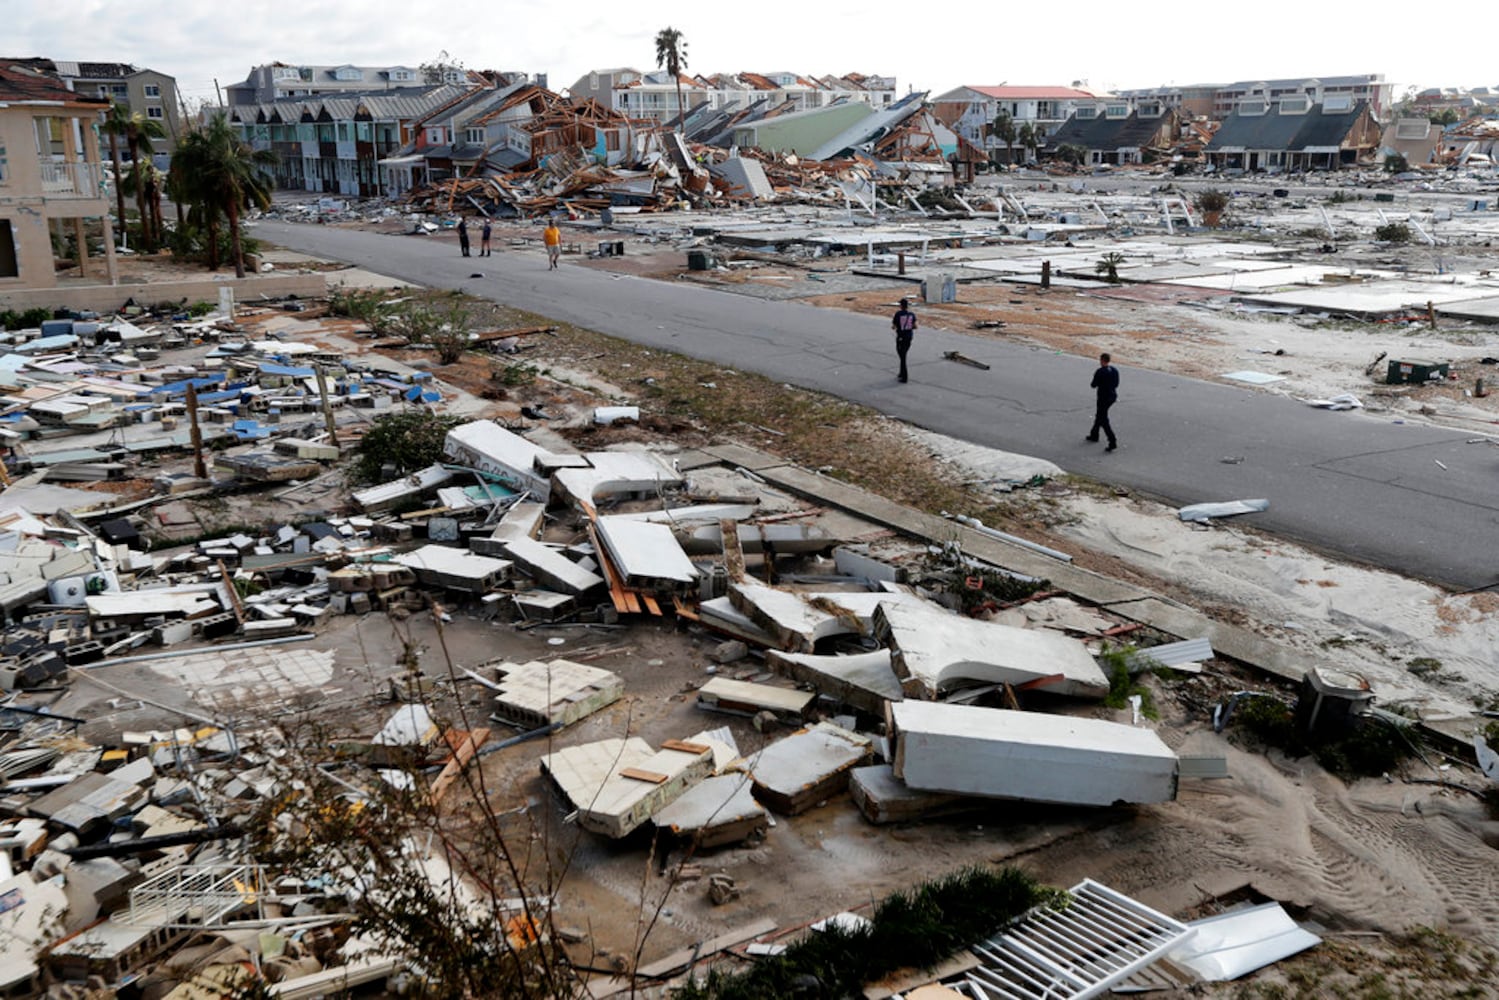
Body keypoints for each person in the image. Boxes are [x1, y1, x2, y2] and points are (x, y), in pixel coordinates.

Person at [1087, 352, 1119, 451]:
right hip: (1112, 396)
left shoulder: (1100, 371)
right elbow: (1116, 384)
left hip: (1103, 398)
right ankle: (1094, 434)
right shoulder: (1114, 370)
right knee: (1100, 415)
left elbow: (1093, 385)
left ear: (1102, 360)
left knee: (1103, 419)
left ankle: (1112, 441)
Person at [891, 297, 917, 383]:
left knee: (902, 356)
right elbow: (915, 326)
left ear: (901, 306)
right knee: (903, 355)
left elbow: (894, 326)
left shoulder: (898, 314)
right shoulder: (912, 314)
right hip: (909, 337)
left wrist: (895, 327)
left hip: (901, 337)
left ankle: (904, 376)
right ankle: (901, 373)